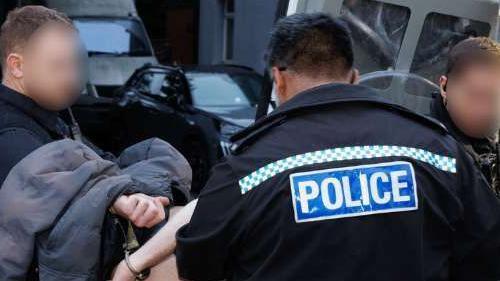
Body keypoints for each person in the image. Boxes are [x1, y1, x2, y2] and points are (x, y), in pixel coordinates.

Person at [113, 13, 500, 281]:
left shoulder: (250, 168)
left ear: (278, 79)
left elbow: (197, 264)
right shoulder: (438, 153)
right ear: (354, 77)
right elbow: (485, 253)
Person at [0, 6, 169, 279]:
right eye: (58, 66)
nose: (72, 78)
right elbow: (63, 188)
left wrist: (125, 191)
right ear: (17, 66)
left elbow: (102, 164)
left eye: (75, 65)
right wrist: (116, 199)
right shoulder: (11, 136)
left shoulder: (53, 115)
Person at [430, 37, 500, 196]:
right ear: (444, 87)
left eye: (492, 98)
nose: (482, 110)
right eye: (472, 96)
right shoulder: (427, 151)